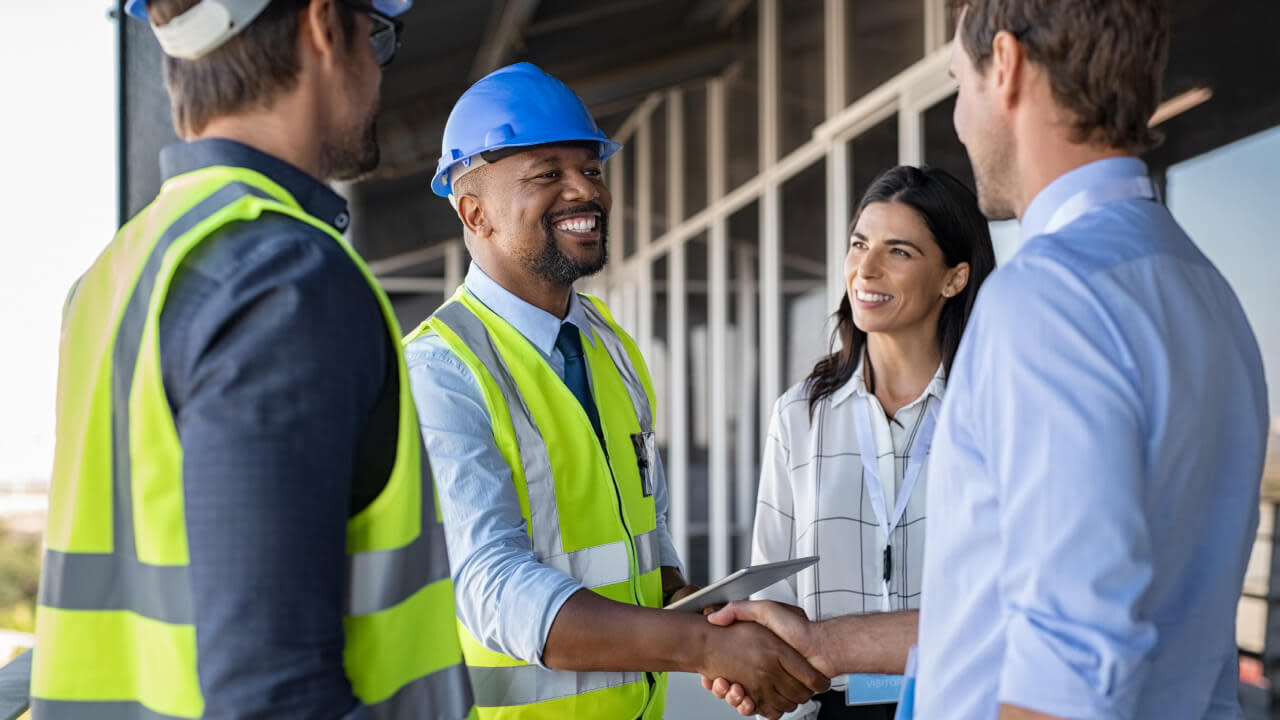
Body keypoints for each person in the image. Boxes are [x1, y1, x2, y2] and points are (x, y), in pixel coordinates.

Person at [707, 1, 1270, 718]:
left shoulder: (1048, 297)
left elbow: (1063, 665)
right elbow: (1006, 613)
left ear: (1004, 65)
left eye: (957, 82)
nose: (959, 121)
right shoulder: (1204, 289)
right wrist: (826, 645)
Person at [30, 1, 474, 718]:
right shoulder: (282, 279)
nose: (377, 68)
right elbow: (274, 699)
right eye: (376, 34)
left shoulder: (117, 272)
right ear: (324, 25)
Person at [404, 62, 828, 720]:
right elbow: (493, 589)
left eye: (591, 169)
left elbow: (644, 537)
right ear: (474, 212)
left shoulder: (609, 344)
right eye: (548, 174)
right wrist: (703, 649)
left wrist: (702, 611)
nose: (586, 190)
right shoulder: (440, 371)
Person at [750, 165, 994, 720]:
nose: (865, 269)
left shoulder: (993, 412)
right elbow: (773, 591)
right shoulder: (799, 415)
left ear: (954, 278)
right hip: (833, 708)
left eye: (898, 251)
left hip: (962, 703)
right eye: (859, 244)